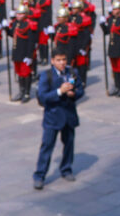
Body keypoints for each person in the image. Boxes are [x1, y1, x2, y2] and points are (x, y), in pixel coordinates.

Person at [32, 48, 84, 190]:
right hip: (53, 117)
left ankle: (66, 169)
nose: (62, 63)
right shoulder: (46, 76)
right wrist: (59, 91)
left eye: (64, 60)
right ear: (52, 61)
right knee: (47, 146)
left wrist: (74, 94)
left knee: (69, 144)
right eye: (59, 60)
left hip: (68, 115)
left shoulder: (72, 72)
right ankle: (40, 175)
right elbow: (43, 97)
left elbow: (80, 90)